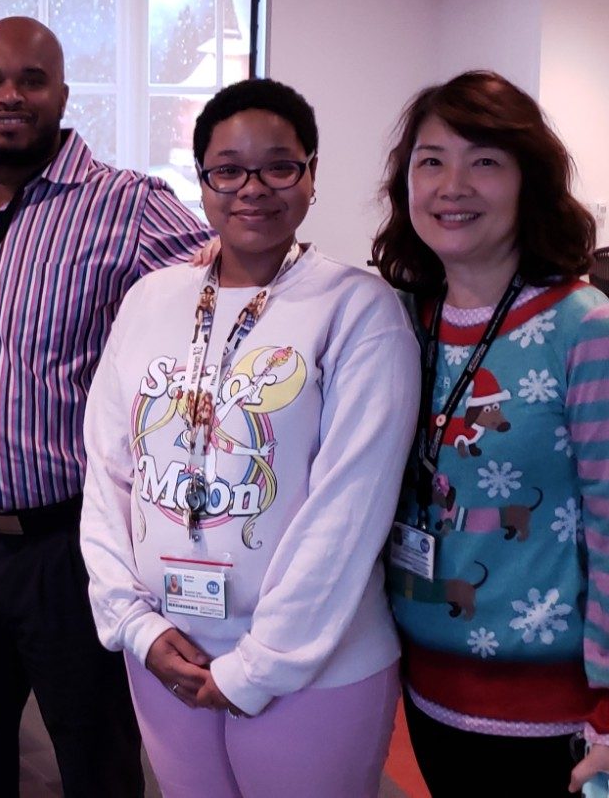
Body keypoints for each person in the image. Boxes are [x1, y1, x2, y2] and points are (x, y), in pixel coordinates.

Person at [0, 15, 212, 797]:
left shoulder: (126, 204)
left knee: (96, 758)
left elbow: (227, 276)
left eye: (30, 80)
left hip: (67, 546)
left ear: (63, 95)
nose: (10, 95)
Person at [80, 78, 420, 798]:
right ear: (201, 180)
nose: (252, 188)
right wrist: (132, 623)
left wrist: (260, 664)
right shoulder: (150, 300)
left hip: (312, 665)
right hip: (167, 650)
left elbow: (349, 508)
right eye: (228, 169)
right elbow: (108, 475)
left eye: (279, 165)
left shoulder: (358, 307)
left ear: (311, 174)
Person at [374, 70, 609, 796]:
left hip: (553, 711)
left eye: (485, 161)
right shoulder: (399, 321)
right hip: (424, 685)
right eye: (431, 160)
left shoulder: (582, 327)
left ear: (528, 180)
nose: (453, 185)